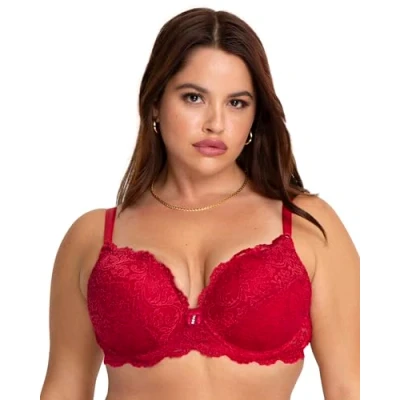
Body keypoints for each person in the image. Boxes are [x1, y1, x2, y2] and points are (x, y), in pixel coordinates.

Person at [40, 7, 360, 400]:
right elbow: (65, 388)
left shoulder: (307, 224)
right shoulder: (92, 238)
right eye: (194, 97)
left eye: (237, 103)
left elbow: (347, 388)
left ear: (256, 115)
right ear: (154, 103)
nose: (215, 123)